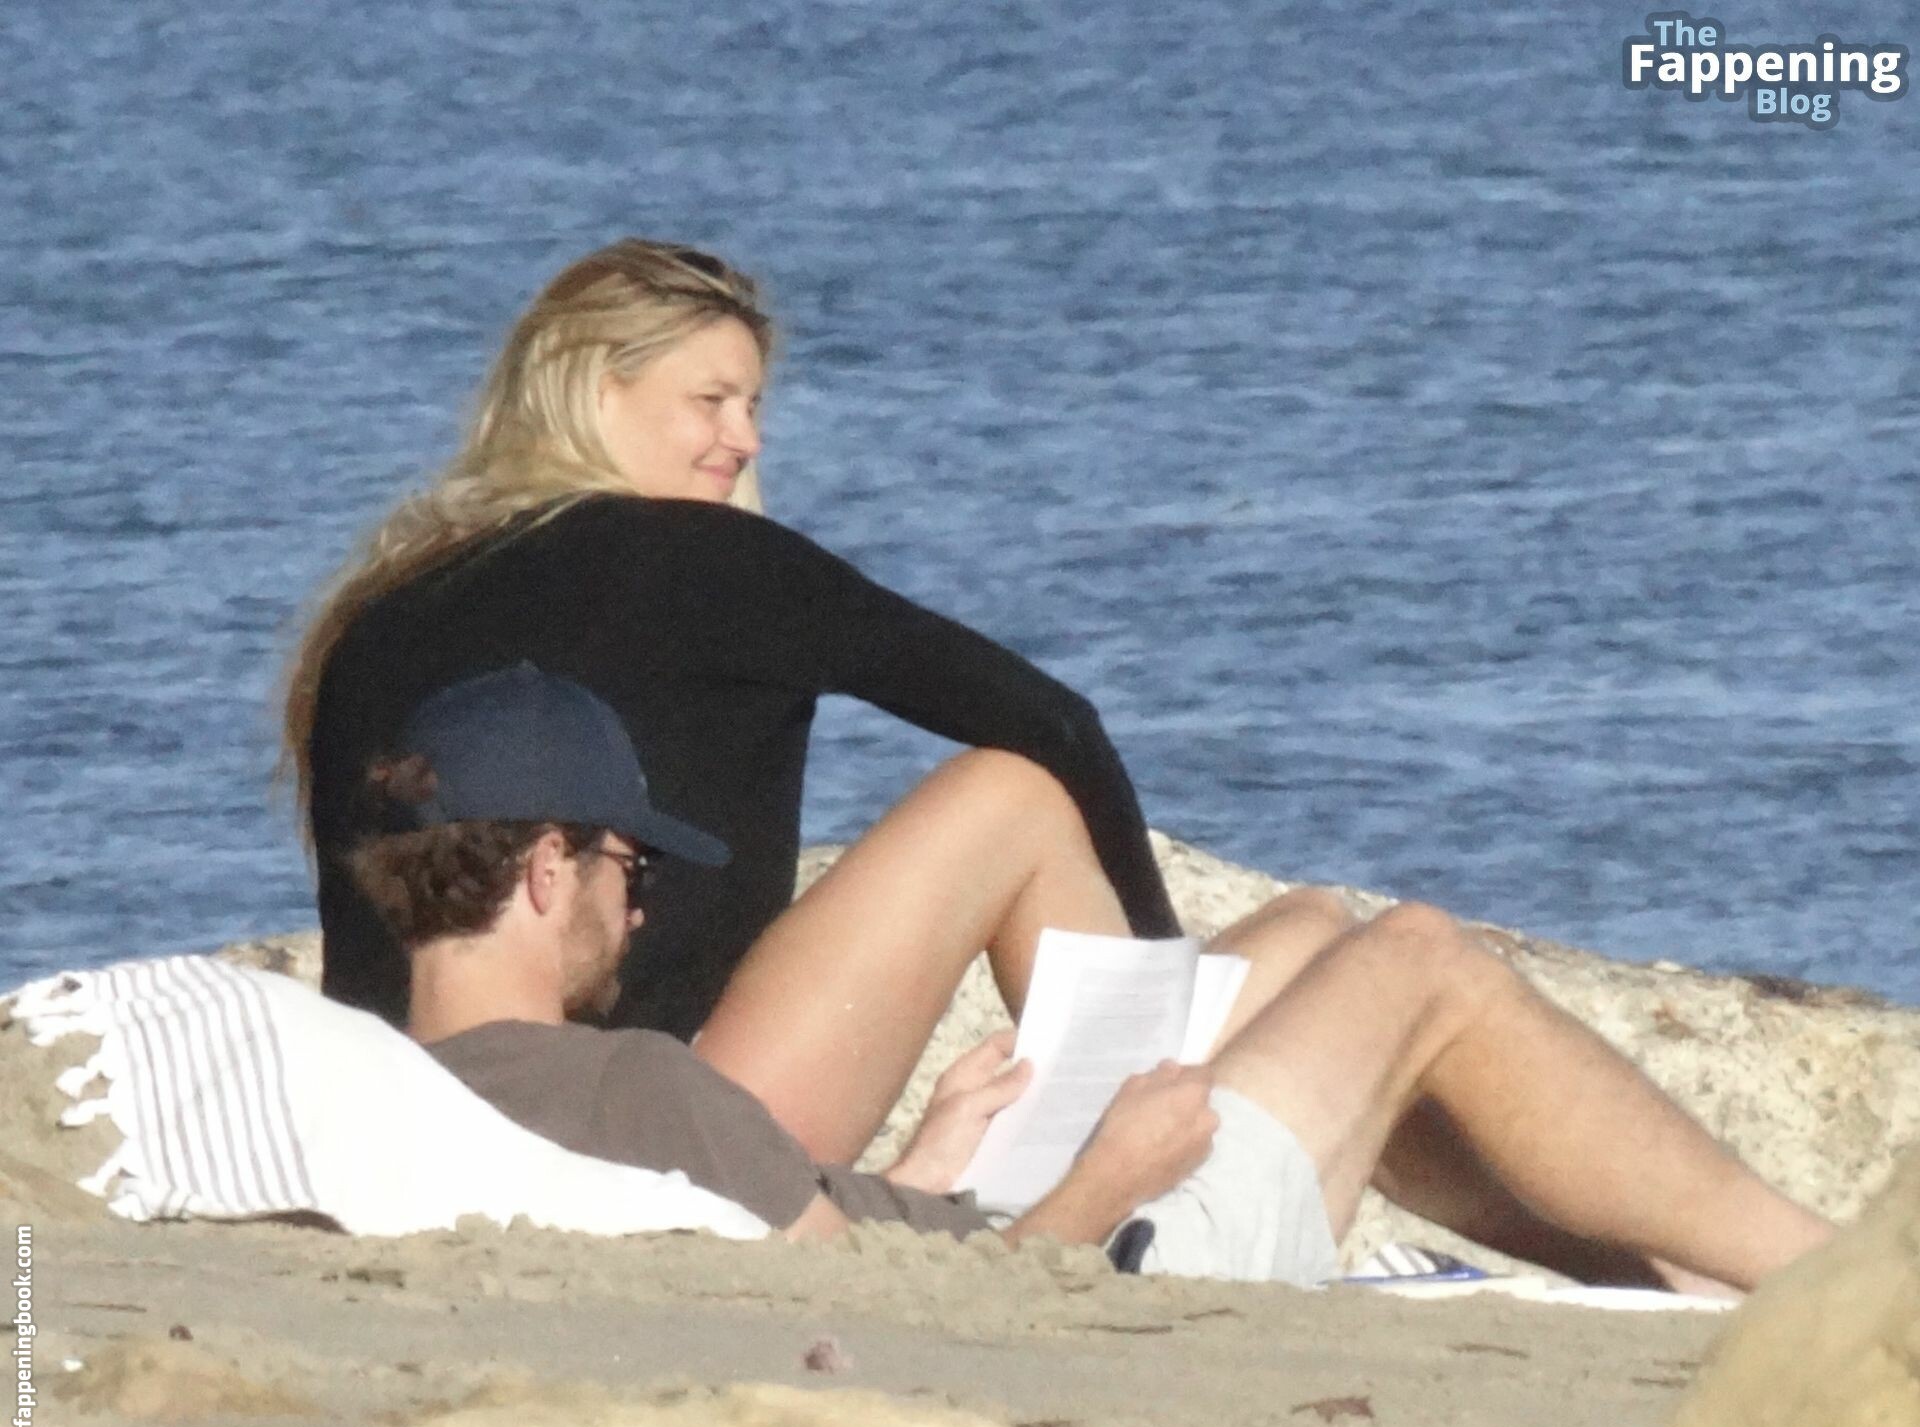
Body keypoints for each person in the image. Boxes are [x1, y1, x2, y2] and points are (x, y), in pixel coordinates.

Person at [350, 664, 1834, 1291]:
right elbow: (900, 1330)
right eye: (629, 867)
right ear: (545, 873)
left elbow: (792, 1254)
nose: (636, 907)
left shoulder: (396, 1097)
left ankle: (1663, 1279)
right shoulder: (629, 1080)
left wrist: (922, 1166)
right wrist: (1108, 1175)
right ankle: (1830, 1272)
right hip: (1103, 1256)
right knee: (1418, 963)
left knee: (1300, 938)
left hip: (986, 1208)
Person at [281, 238, 1181, 1161]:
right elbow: (1054, 722)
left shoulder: (374, 610)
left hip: (398, 1121)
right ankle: (1150, 1138)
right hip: (652, 1131)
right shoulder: (712, 562)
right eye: (710, 402)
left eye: (752, 407)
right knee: (1013, 797)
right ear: (593, 391)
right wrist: (1165, 966)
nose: (747, 440)